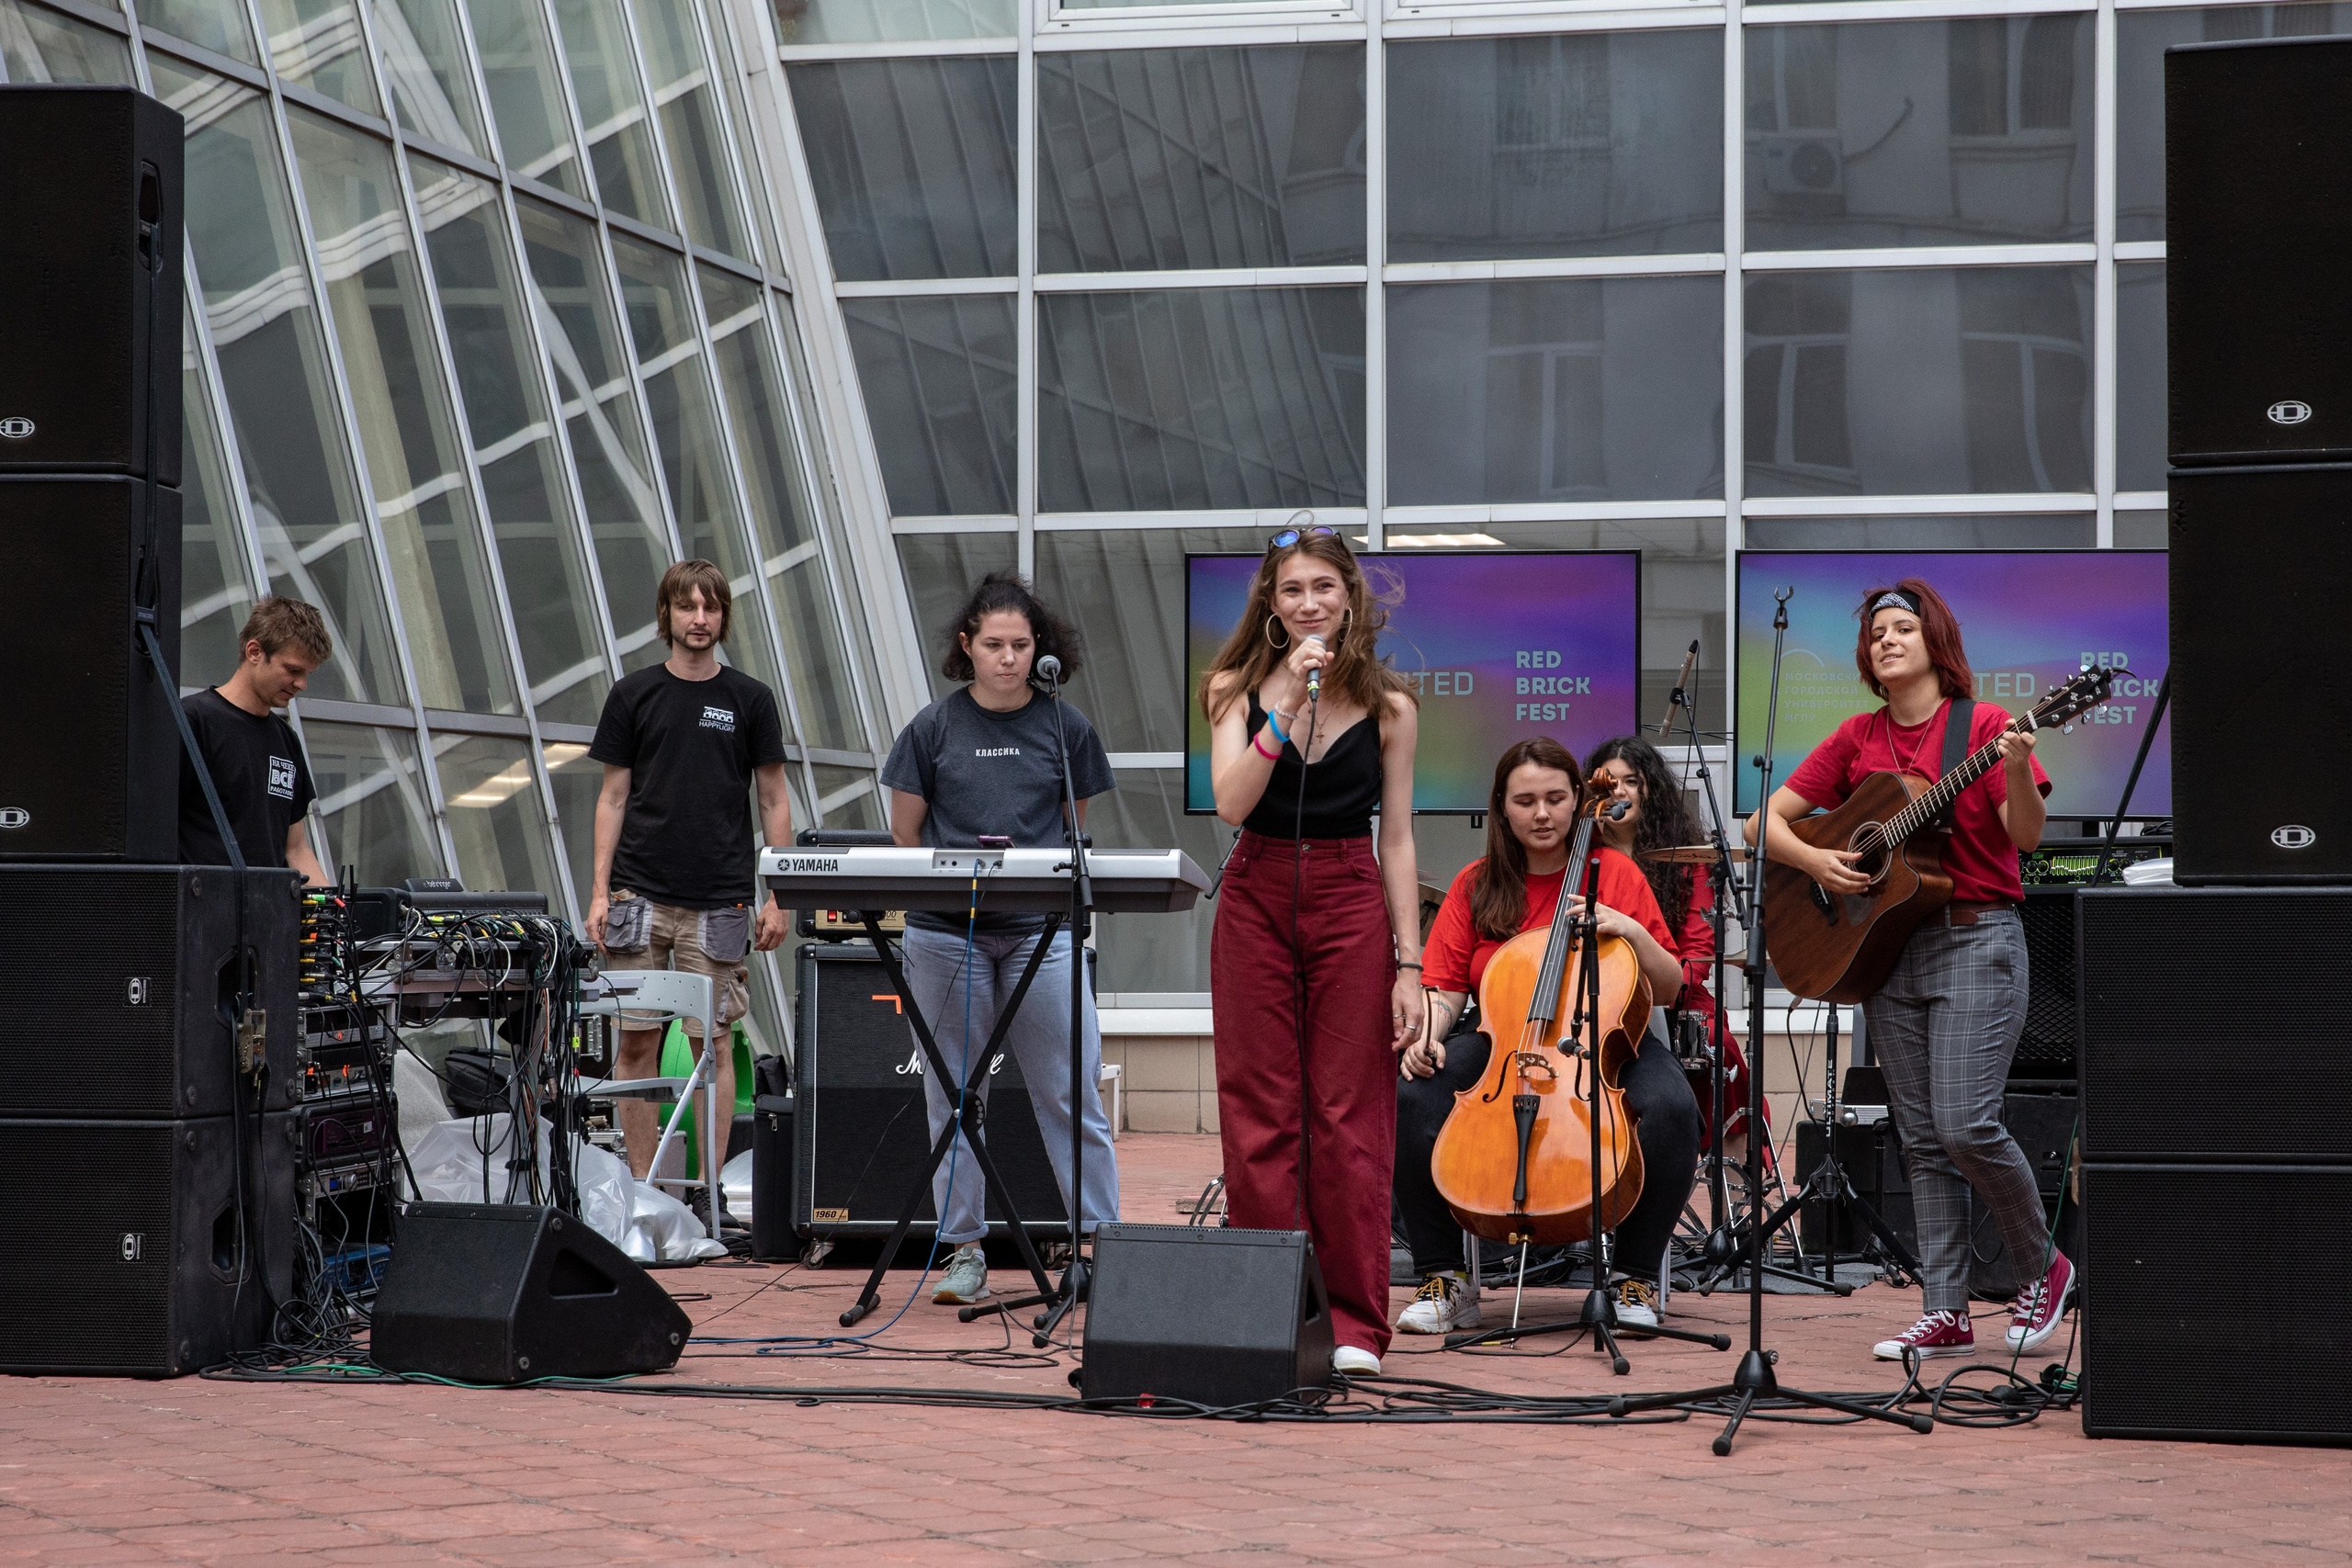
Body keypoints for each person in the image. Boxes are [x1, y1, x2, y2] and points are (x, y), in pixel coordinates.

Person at [1747, 578, 2067, 1362]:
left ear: (1936, 643)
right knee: (1922, 1139)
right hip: (1887, 949)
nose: (1886, 641)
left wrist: (2019, 766)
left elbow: (2025, 837)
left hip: (1975, 939)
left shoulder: (1984, 728)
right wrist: (1820, 860)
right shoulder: (1858, 737)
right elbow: (1762, 823)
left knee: (1964, 1123)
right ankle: (1945, 1307)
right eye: (1877, 632)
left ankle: (2044, 1267)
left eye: (1902, 629)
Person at [1200, 524, 1421, 1377]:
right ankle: (1266, 1309)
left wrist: (1411, 964)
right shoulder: (1233, 686)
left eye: (1324, 587)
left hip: (1348, 888)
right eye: (1292, 590)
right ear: (1271, 602)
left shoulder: (1392, 705)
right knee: (1259, 1106)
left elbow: (1396, 839)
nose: (1309, 604)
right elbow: (1231, 799)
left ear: (1350, 597)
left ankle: (1357, 1323)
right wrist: (1285, 702)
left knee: (1347, 1110)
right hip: (1257, 888)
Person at [1392, 738, 1702, 1336]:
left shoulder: (1615, 871)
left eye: (1557, 798)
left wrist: (1631, 929)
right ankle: (1444, 1277)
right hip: (1503, 1039)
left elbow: (1668, 986)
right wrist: (1428, 1034)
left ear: (1578, 801)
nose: (1542, 813)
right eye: (1526, 800)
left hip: (1607, 1038)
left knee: (1672, 1108)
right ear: (1502, 808)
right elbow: (1446, 987)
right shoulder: (1477, 883)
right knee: (1411, 1094)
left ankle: (1632, 1275)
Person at [881, 572, 1121, 1308]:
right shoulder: (933, 727)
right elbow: (905, 832)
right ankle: (962, 1251)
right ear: (967, 646)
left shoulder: (1066, 727)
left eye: (1022, 645)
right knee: (954, 1093)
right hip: (946, 936)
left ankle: (1104, 1247)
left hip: (1042, 934)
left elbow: (1072, 831)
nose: (1010, 658)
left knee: (1069, 1088)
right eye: (994, 645)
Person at [587, 561, 794, 1237]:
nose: (699, 618)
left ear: (723, 617)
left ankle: (709, 1196)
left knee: (715, 1044)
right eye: (687, 607)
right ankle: (645, 1192)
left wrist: (779, 895)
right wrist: (597, 893)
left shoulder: (750, 699)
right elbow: (613, 796)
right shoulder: (633, 694)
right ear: (667, 615)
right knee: (637, 1041)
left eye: (710, 607)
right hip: (637, 896)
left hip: (722, 902)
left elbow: (772, 797)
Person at [1586, 736, 1768, 1164]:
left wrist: (1665, 989)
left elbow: (1696, 956)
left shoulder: (1689, 859)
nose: (1621, 792)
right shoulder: (1579, 856)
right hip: (1596, 994)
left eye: (1633, 781)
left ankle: (1733, 1192)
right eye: (1610, 782)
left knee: (1717, 1045)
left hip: (1676, 998)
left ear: (1652, 790)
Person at [178, 596, 331, 886]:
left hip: (267, 920)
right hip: (200, 917)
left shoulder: (286, 740)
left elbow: (295, 849)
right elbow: (152, 833)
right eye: (293, 670)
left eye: (307, 674)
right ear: (254, 651)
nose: (302, 684)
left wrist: (334, 917)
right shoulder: (193, 721)